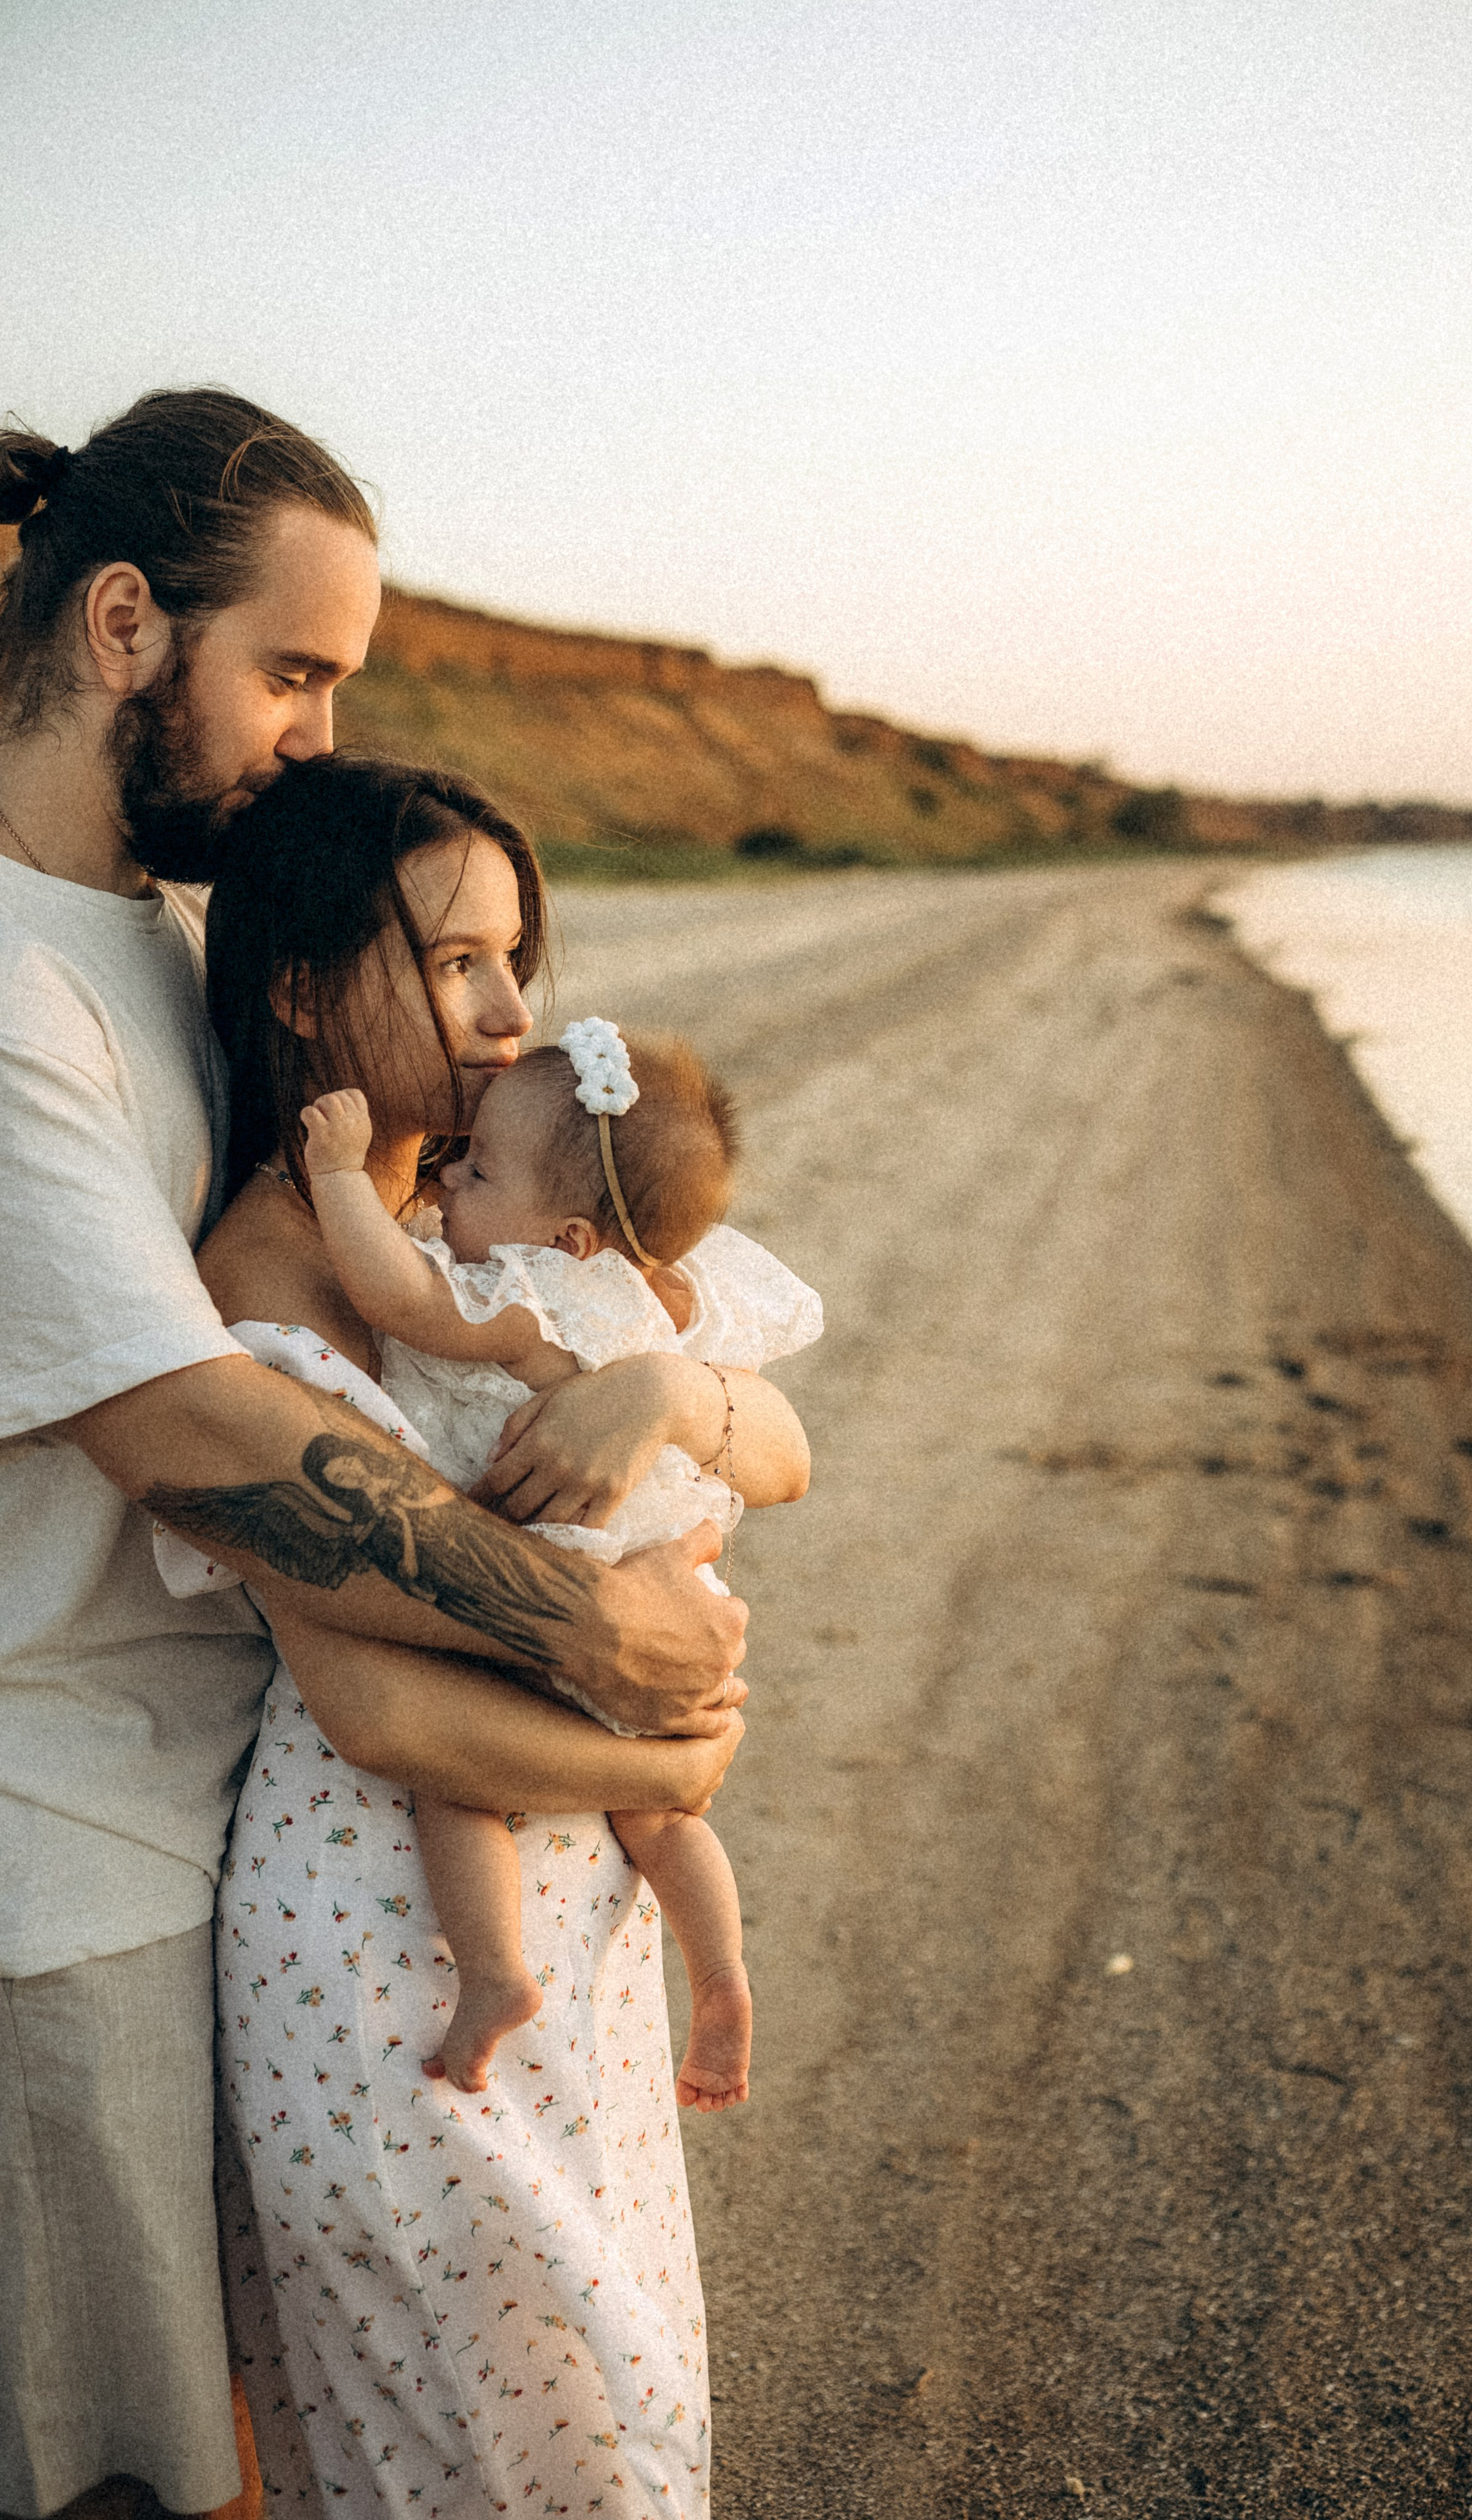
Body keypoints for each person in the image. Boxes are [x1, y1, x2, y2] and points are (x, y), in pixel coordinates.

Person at [0, 394, 759, 2520]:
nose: (320, 737)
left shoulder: (149, 941)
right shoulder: (11, 998)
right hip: (60, 1858)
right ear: (127, 623)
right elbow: (209, 1432)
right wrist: (604, 1647)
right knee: (123, 2476)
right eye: (296, 674)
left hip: (229, 1806)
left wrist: (682, 1400)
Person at [182, 753, 810, 2517]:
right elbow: (372, 1700)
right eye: (459, 962)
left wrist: (670, 1387)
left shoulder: (532, 1200)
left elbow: (787, 1445)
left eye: (516, 957)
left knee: (609, 2405)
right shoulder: (284, 1260)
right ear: (305, 990)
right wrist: (674, 1756)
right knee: (504, 2438)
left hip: (569, 1918)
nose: (509, 1009)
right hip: (388, 1938)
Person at [297, 1020, 822, 2105]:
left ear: (574, 1237)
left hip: (554, 1584)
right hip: (665, 1583)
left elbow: (397, 1298)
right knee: (668, 1821)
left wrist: (339, 1175)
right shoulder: (645, 1292)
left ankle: (493, 1974)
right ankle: (720, 1974)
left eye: (476, 1168)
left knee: (456, 1779)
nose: (445, 1181)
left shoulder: (531, 1293)